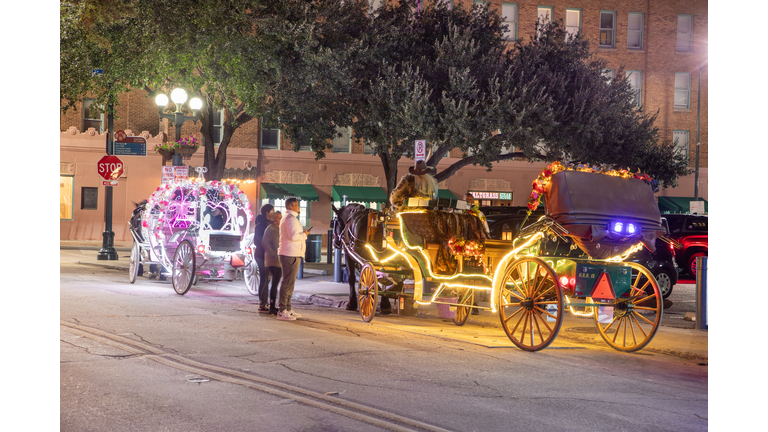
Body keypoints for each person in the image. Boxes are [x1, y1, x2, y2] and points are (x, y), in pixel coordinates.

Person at [276, 197, 311, 321]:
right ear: (291, 205)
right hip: (290, 253)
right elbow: (293, 236)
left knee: (290, 283)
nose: (298, 207)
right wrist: (305, 235)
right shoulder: (290, 218)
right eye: (297, 205)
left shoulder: (289, 218)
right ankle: (282, 310)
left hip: (292, 253)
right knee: (288, 282)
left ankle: (287, 308)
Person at [253, 204, 274, 312]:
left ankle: (263, 302)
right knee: (265, 278)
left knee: (265, 278)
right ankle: (262, 303)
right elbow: (257, 241)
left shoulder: (266, 224)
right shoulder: (261, 225)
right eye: (272, 211)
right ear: (267, 213)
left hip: (264, 254)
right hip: (262, 255)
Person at [261, 211, 282, 315]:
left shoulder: (274, 228)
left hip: (274, 259)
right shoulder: (273, 229)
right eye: (279, 217)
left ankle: (272, 304)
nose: (280, 219)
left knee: (275, 283)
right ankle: (272, 305)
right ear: (274, 218)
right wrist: (274, 253)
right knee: (274, 283)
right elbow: (268, 243)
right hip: (274, 260)